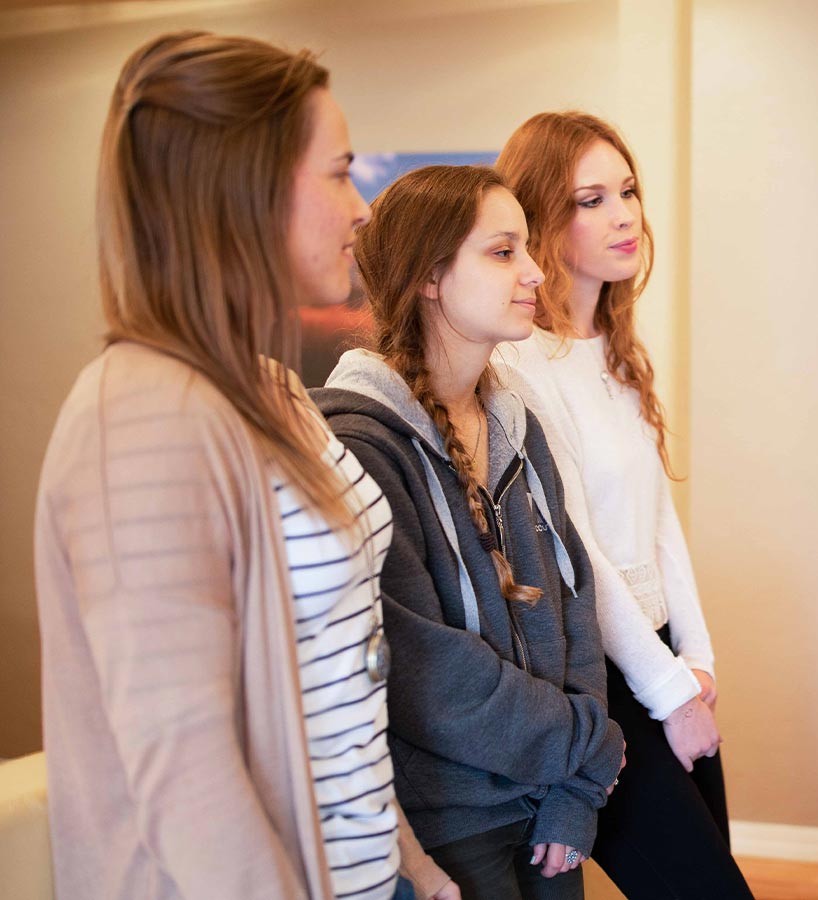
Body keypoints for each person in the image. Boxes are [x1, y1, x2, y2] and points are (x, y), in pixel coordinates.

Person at [34, 31, 452, 900]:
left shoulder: (272, 390)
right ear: (248, 190)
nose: (362, 206)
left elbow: (338, 666)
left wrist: (407, 860)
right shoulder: (137, 418)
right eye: (339, 171)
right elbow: (185, 774)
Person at [313, 164, 625, 900]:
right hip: (446, 817)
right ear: (429, 276)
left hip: (549, 797)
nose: (534, 271)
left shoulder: (519, 425)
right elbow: (425, 671)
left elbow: (572, 607)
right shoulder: (362, 442)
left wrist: (574, 792)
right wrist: (592, 744)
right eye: (503, 251)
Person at [496, 112, 754, 899]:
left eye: (629, 190)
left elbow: (656, 518)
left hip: (663, 654)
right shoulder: (519, 366)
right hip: (603, 675)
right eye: (590, 199)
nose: (624, 214)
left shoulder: (616, 346)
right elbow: (576, 552)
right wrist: (669, 690)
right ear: (542, 218)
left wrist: (698, 656)